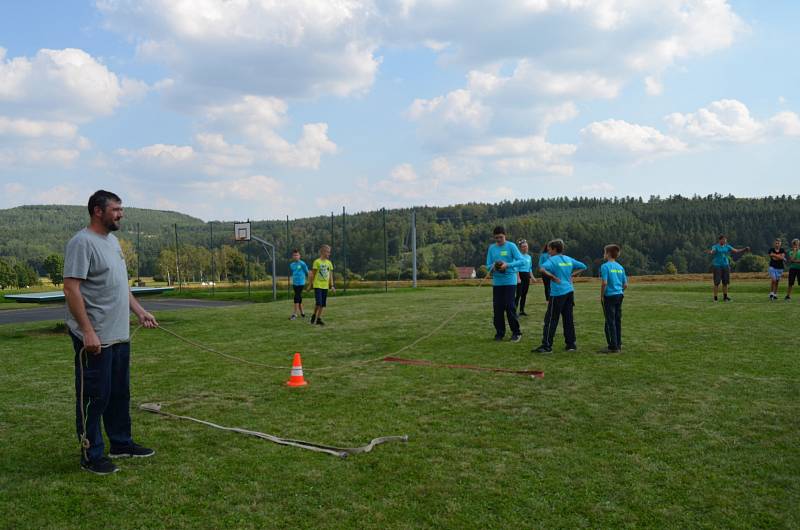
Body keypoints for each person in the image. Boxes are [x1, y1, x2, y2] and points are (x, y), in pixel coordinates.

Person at [63, 190, 158, 475]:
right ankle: (91, 454)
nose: (121, 214)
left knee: (119, 394)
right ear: (97, 211)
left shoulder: (113, 241)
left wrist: (139, 311)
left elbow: (120, 285)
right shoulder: (82, 243)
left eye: (121, 209)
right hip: (95, 338)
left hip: (119, 334)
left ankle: (121, 443)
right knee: (95, 396)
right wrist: (88, 332)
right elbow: (71, 288)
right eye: (115, 209)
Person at [532, 239, 587, 353]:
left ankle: (547, 346)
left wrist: (552, 277)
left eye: (549, 250)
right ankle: (571, 345)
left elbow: (541, 269)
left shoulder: (552, 260)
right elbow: (583, 266)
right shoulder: (568, 259)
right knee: (568, 319)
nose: (548, 252)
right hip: (569, 292)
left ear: (554, 249)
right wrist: (572, 274)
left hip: (557, 294)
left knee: (551, 319)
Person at [486, 226, 526, 342]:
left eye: (501, 237)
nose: (498, 240)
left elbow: (522, 261)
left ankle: (516, 332)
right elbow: (488, 265)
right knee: (497, 308)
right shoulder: (491, 248)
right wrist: (495, 266)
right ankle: (500, 333)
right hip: (497, 282)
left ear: (505, 235)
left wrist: (507, 265)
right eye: (496, 238)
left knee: (509, 306)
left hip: (509, 281)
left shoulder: (511, 246)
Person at [598, 244, 628, 354]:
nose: (603, 254)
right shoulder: (620, 267)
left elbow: (604, 282)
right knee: (617, 320)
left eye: (604, 252)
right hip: (619, 295)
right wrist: (619, 291)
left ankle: (613, 346)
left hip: (609, 296)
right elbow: (625, 285)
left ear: (609, 254)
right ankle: (618, 344)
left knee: (610, 321)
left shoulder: (605, 267)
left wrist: (601, 295)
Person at [705, 235, 749, 302]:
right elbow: (713, 251)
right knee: (716, 283)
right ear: (720, 240)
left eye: (725, 240)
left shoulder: (727, 246)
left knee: (725, 282)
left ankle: (725, 298)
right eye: (724, 240)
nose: (725, 241)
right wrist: (710, 252)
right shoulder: (715, 246)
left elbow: (736, 251)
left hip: (726, 265)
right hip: (717, 266)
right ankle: (715, 298)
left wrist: (744, 249)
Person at [308, 244, 335, 325]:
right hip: (318, 285)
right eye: (328, 252)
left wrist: (332, 285)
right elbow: (313, 274)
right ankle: (314, 315)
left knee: (322, 304)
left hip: (325, 286)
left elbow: (330, 275)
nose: (329, 254)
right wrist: (310, 285)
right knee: (318, 303)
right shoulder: (317, 262)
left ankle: (318, 319)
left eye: (329, 252)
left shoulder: (329, 263)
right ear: (323, 252)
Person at [514, 239, 536, 316]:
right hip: (520, 275)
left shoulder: (529, 257)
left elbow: (530, 268)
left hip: (527, 276)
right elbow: (516, 268)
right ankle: (514, 311)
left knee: (524, 294)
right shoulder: (518, 256)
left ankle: (522, 310)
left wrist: (532, 277)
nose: (525, 248)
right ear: (520, 248)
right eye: (523, 247)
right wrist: (518, 278)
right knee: (518, 294)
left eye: (526, 246)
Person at [288, 249, 309, 320]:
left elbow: (307, 272)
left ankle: (294, 314)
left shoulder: (302, 264)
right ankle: (302, 313)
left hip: (301, 283)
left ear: (299, 256)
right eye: (294, 255)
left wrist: (310, 283)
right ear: (292, 256)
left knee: (296, 297)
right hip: (295, 283)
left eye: (297, 255)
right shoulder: (292, 265)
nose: (295, 256)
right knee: (299, 297)